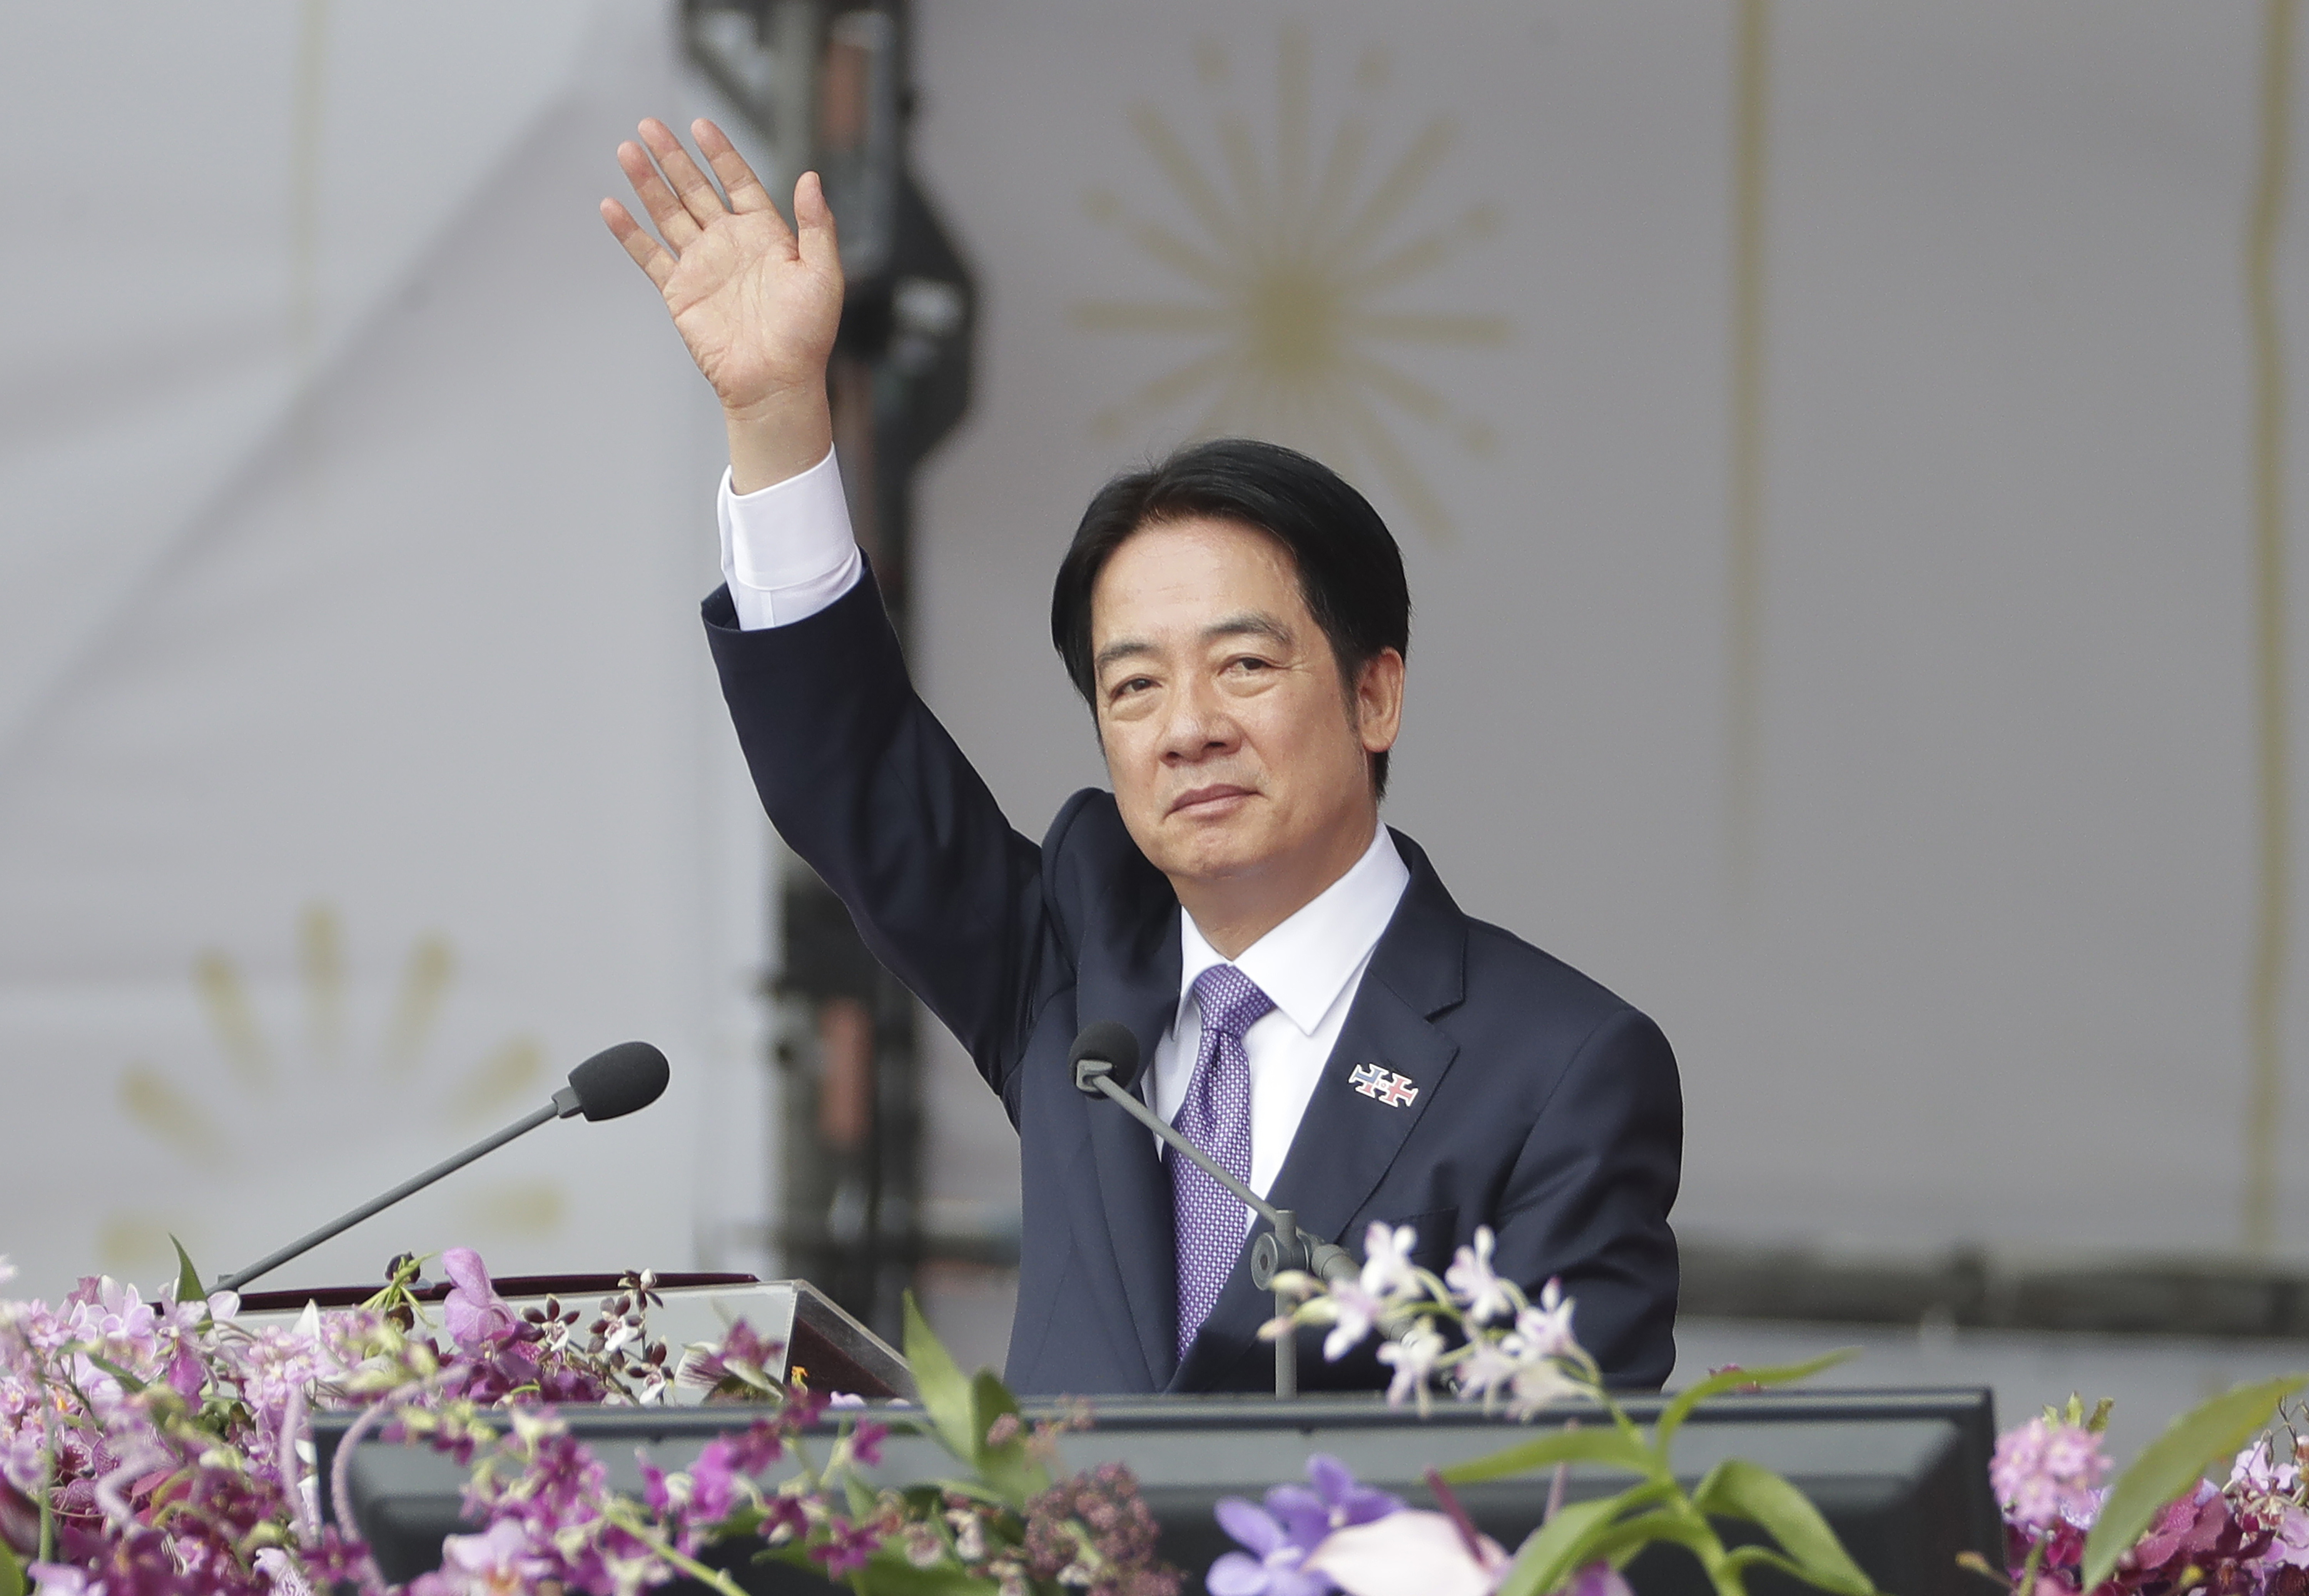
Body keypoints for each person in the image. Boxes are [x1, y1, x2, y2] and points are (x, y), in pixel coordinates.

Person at [603, 119, 1682, 1396]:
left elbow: (1568, 1476)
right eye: (1133, 685)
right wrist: (779, 414)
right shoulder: (1078, 958)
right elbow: (856, 778)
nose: (1187, 726)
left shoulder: (1557, 1063)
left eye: (1244, 665)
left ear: (1376, 691)